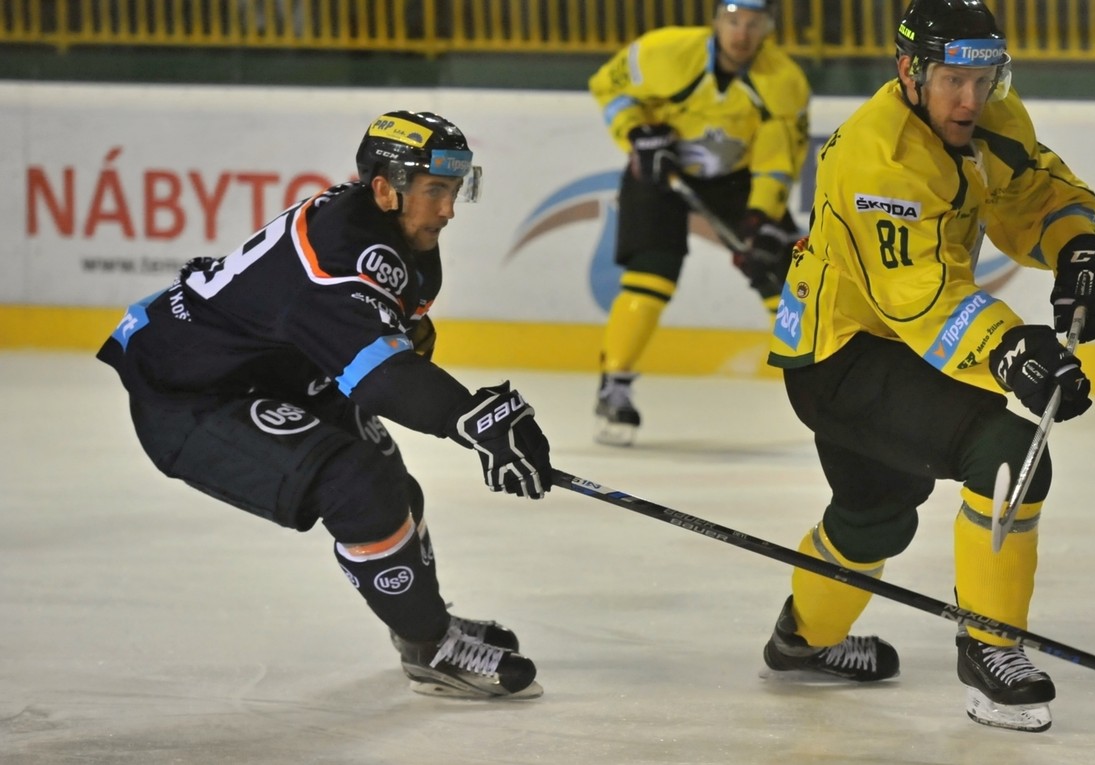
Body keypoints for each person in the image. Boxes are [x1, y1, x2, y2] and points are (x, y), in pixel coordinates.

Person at [761, 0, 1095, 733]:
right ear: (910, 71)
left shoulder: (989, 113)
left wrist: (1077, 248)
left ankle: (802, 640)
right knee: (1006, 450)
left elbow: (1035, 195)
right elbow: (920, 298)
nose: (970, 97)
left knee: (875, 518)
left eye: (984, 76)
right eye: (952, 80)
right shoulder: (879, 156)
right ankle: (991, 651)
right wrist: (1009, 348)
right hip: (843, 356)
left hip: (891, 343)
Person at [96, 111, 555, 700]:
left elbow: (393, 341)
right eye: (436, 190)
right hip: (193, 396)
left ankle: (424, 628)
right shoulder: (342, 250)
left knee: (392, 486)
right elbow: (381, 377)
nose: (448, 209)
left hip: (274, 371)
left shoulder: (395, 233)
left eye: (454, 190)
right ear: (386, 188)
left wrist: (446, 396)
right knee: (358, 485)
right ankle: (432, 647)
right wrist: (476, 419)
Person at [586, 0, 811, 446]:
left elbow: (777, 160)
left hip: (736, 181)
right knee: (651, 276)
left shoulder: (784, 81)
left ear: (767, 26)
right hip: (657, 171)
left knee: (781, 273)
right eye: (732, 20)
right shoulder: (665, 51)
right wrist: (636, 133)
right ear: (716, 21)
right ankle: (615, 385)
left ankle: (817, 381)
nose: (741, 33)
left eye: (752, 23)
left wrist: (762, 216)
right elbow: (607, 88)